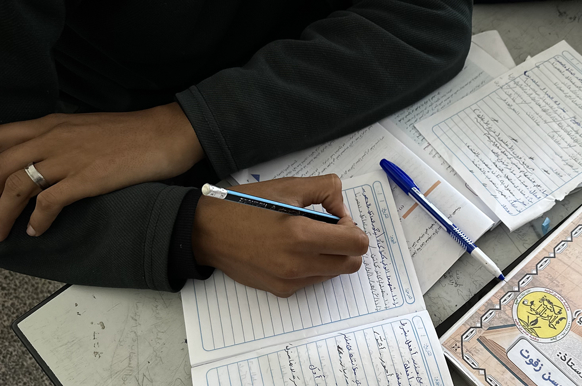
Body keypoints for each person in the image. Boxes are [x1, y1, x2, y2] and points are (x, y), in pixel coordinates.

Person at [0, 0, 472, 297]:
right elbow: (12, 186)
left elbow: (434, 16)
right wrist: (192, 228)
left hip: (321, 75)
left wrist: (188, 125)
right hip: (118, 145)